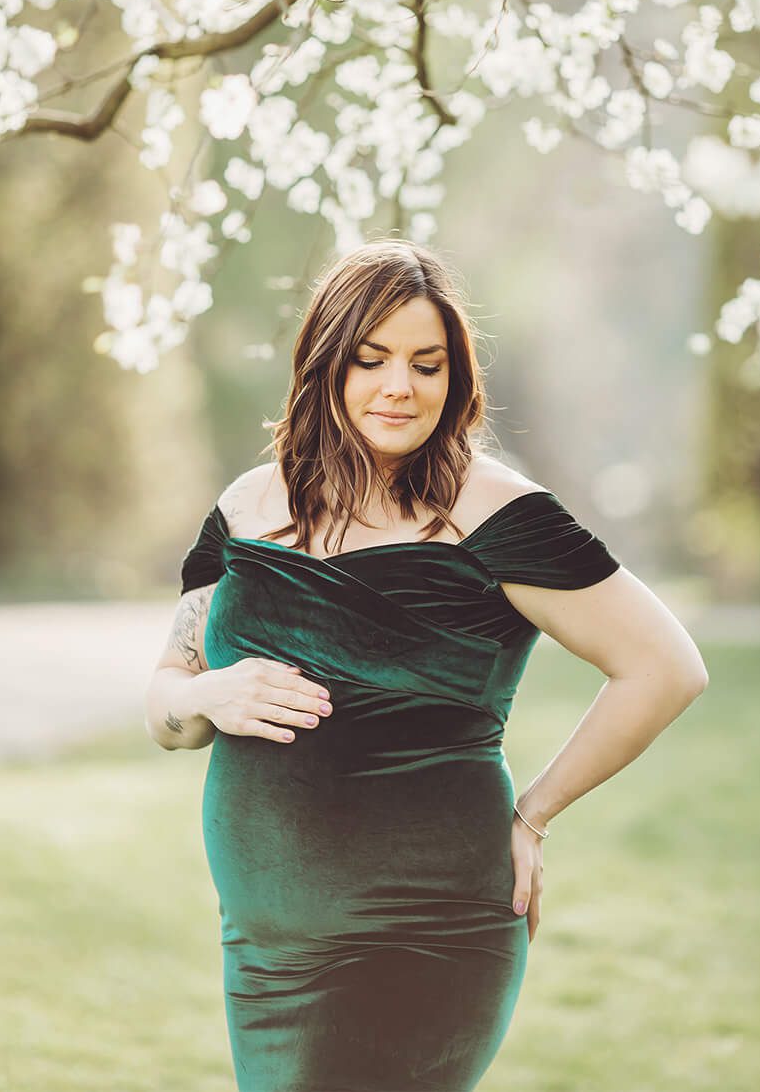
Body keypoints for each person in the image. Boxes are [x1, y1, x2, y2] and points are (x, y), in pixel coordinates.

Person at [145, 238, 706, 1092]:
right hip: (263, 949)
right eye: (370, 360)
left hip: (425, 935)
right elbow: (164, 705)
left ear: (457, 378)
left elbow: (665, 667)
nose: (399, 387)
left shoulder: (494, 512)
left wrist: (535, 813)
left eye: (426, 363)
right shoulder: (245, 509)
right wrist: (207, 694)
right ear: (325, 364)